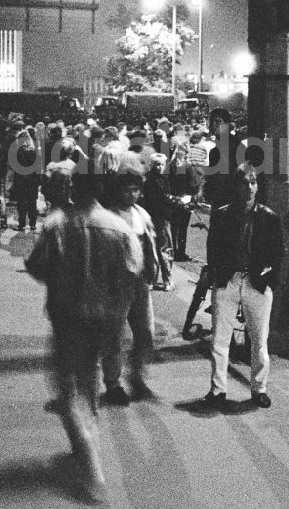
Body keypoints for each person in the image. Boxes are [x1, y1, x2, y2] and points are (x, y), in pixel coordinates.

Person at [25, 171, 139, 503]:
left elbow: (36, 266)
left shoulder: (57, 224)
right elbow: (134, 268)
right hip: (107, 320)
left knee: (67, 389)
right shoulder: (119, 227)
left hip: (68, 317)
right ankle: (84, 445)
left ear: (75, 189)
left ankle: (92, 468)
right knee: (89, 386)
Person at [204, 163, 284, 409]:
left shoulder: (268, 217)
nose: (250, 188)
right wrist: (218, 274)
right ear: (236, 186)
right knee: (220, 338)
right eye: (245, 182)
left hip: (256, 282)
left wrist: (267, 277)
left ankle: (259, 388)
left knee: (259, 340)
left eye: (253, 182)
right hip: (228, 279)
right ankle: (218, 390)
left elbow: (278, 253)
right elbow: (213, 248)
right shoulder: (222, 214)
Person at [99, 171, 158, 404]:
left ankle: (137, 376)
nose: (132, 194)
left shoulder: (141, 214)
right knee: (115, 334)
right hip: (116, 282)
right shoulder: (107, 217)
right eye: (127, 189)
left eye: (135, 189)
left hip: (141, 281)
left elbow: (151, 244)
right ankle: (113, 383)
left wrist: (154, 270)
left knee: (145, 332)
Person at [142, 152, 175, 291]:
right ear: (152, 165)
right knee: (165, 249)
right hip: (161, 217)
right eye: (157, 164)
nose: (160, 167)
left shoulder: (146, 179)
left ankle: (151, 279)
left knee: (151, 249)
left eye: (162, 164)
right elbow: (164, 199)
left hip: (149, 217)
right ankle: (167, 280)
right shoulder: (162, 180)